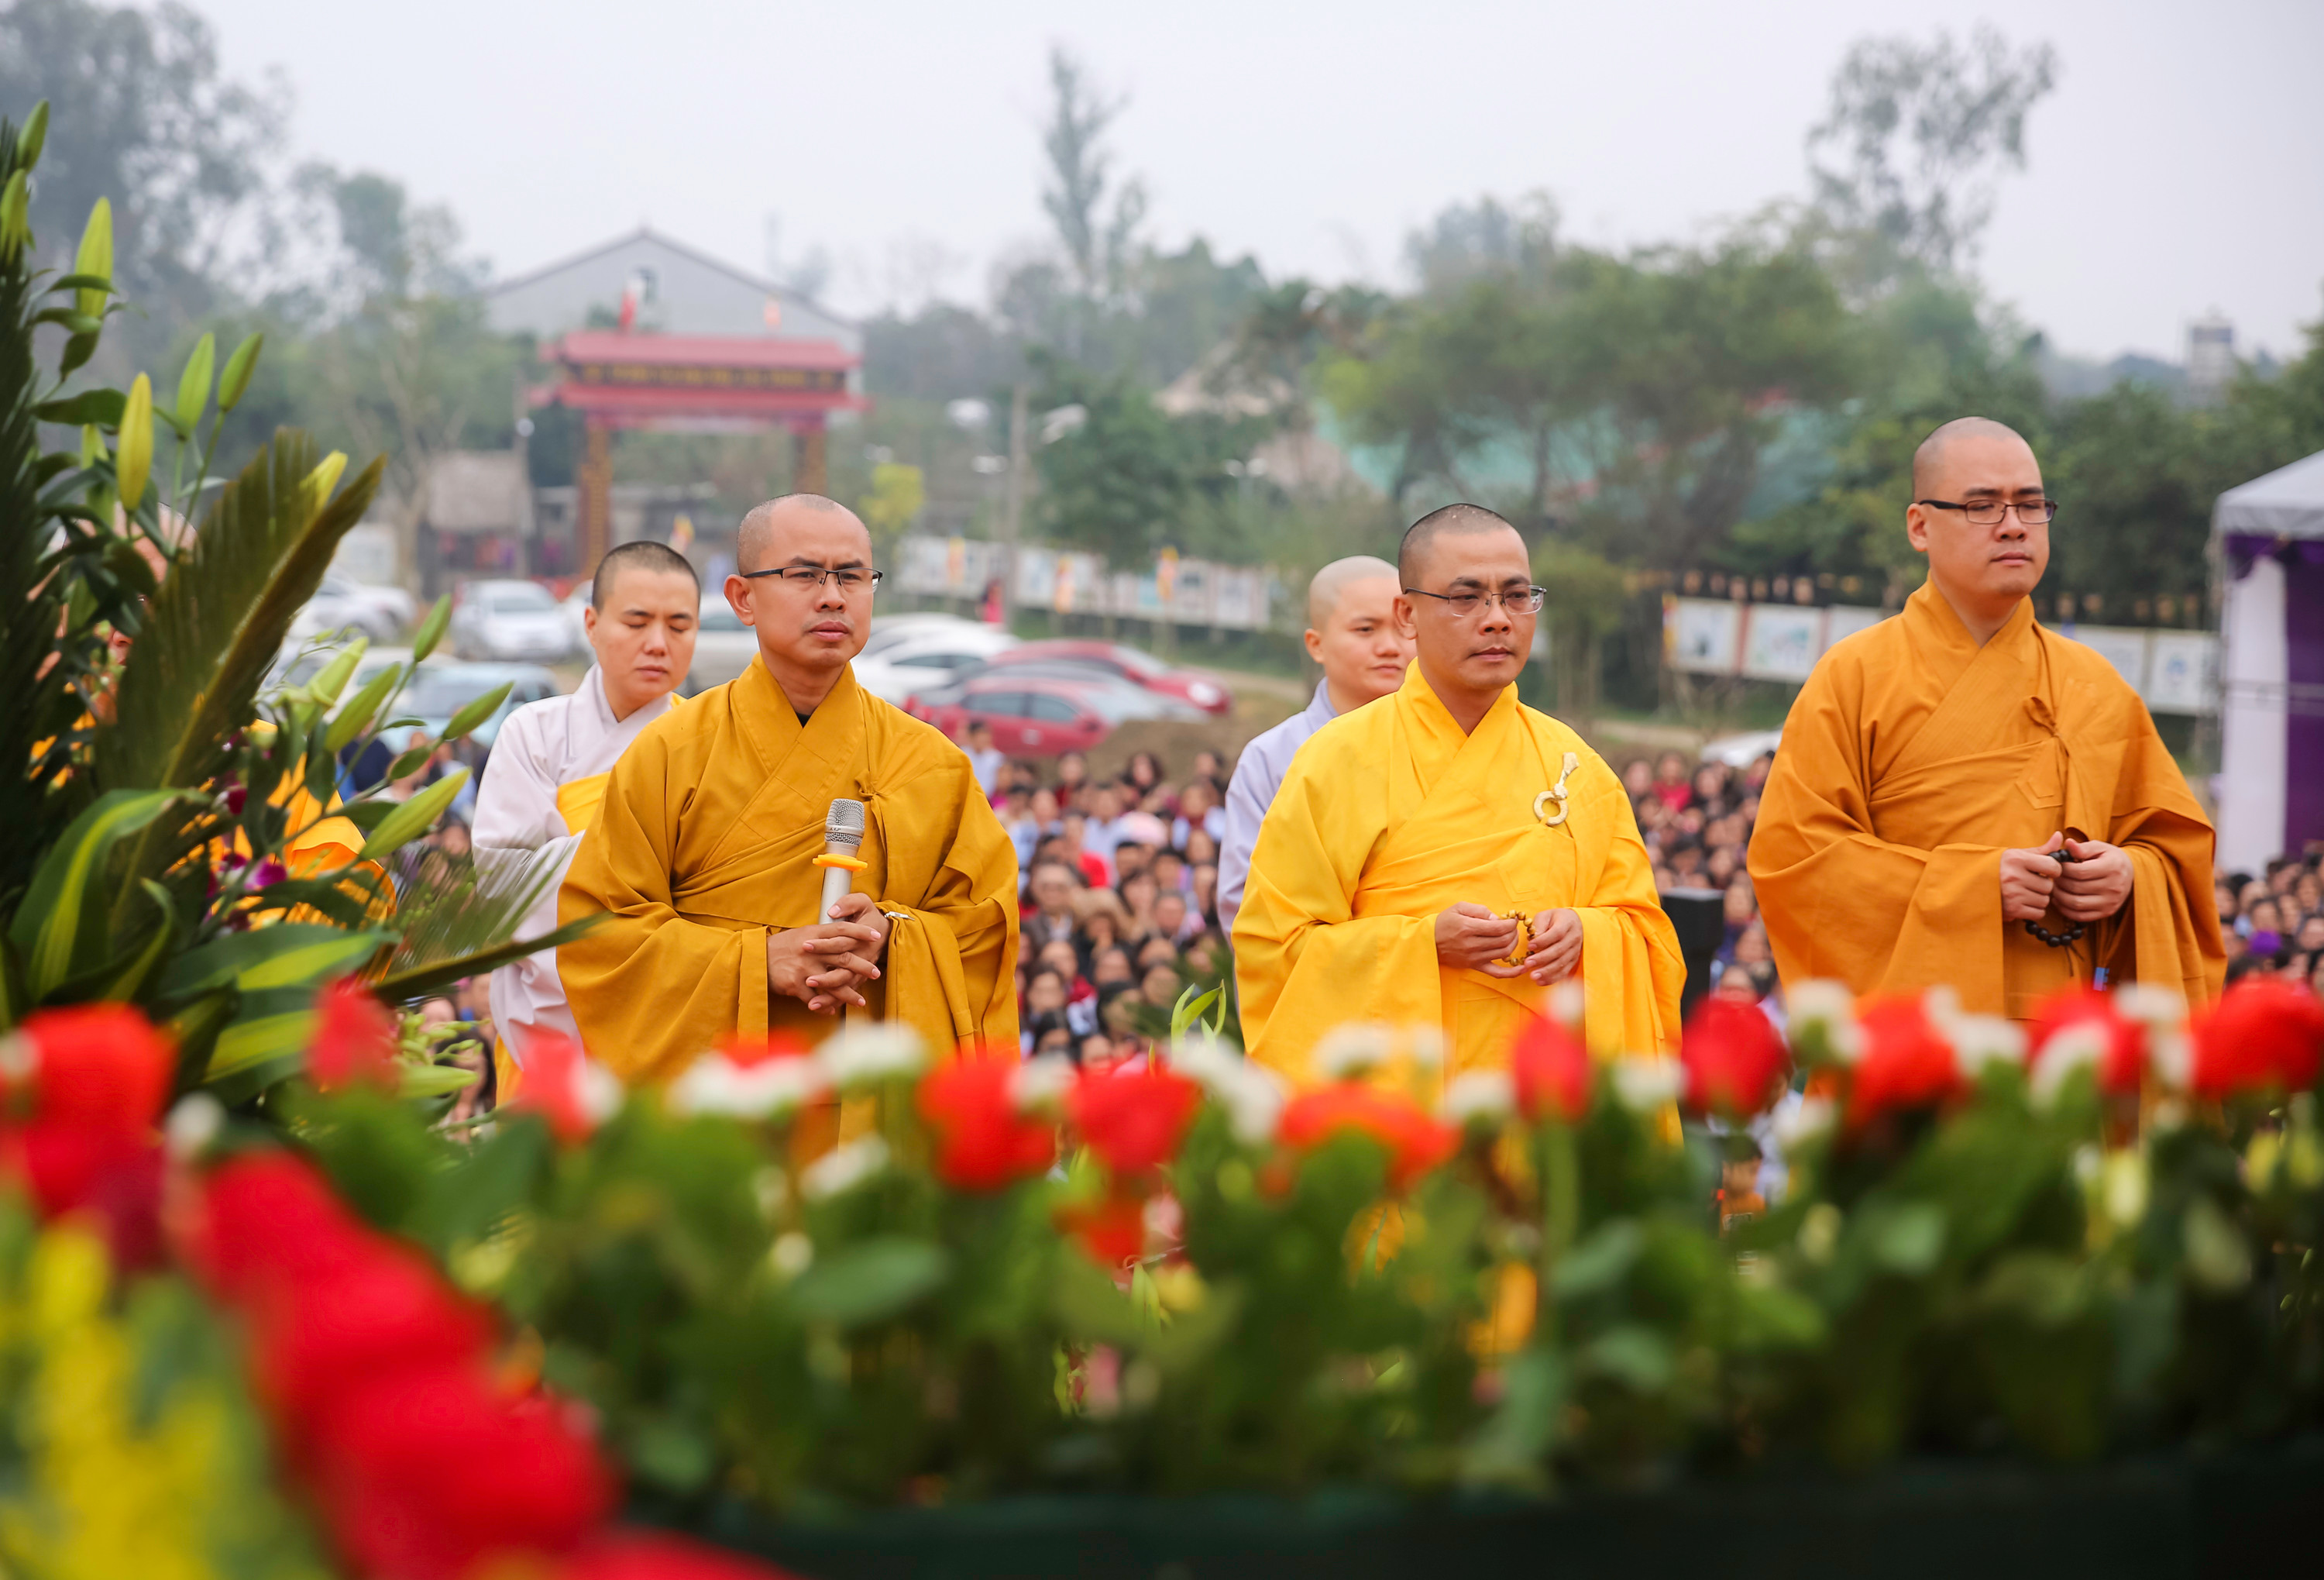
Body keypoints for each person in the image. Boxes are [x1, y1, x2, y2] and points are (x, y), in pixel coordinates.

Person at [1748, 418, 2223, 1019]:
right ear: (1920, 525)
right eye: (1982, 506)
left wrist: (2132, 875)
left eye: (2030, 505)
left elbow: (2176, 852)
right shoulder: (1854, 677)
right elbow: (1797, 864)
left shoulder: (2095, 686)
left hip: (2069, 1054)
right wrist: (1972, 889)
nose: (2013, 525)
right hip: (1919, 1044)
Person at [559, 494, 1019, 1083]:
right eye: (803, 574)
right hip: (720, 1109)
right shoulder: (671, 751)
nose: (833, 596)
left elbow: (984, 931)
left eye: (852, 576)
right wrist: (755, 964)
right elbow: (600, 935)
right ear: (742, 597)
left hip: (869, 1113)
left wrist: (892, 937)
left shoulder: (933, 764)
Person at [1236, 505, 1684, 1080]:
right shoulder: (1336, 760)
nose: (1498, 619)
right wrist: (1422, 946)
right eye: (1467, 597)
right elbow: (1274, 951)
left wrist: (1587, 936)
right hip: (1404, 1124)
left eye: (1516, 595)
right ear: (1408, 614)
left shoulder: (1579, 768)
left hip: (1544, 1113)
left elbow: (1647, 938)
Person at [473, 541, 699, 1096]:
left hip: (665, 1031)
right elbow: (508, 886)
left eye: (679, 625)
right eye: (637, 621)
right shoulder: (534, 734)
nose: (657, 643)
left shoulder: (710, 745)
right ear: (592, 624)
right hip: (542, 1031)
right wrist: (643, 873)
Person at [1218, 556, 1415, 939]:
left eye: (1403, 628)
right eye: (1365, 629)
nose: (1390, 647)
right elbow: (1245, 905)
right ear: (1317, 644)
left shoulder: (1443, 743)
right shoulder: (1273, 757)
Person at [964, 719, 1006, 799]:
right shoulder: (963, 754)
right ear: (971, 736)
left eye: (985, 735)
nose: (983, 739)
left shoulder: (996, 758)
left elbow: (1002, 783)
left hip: (987, 799)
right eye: (979, 735)